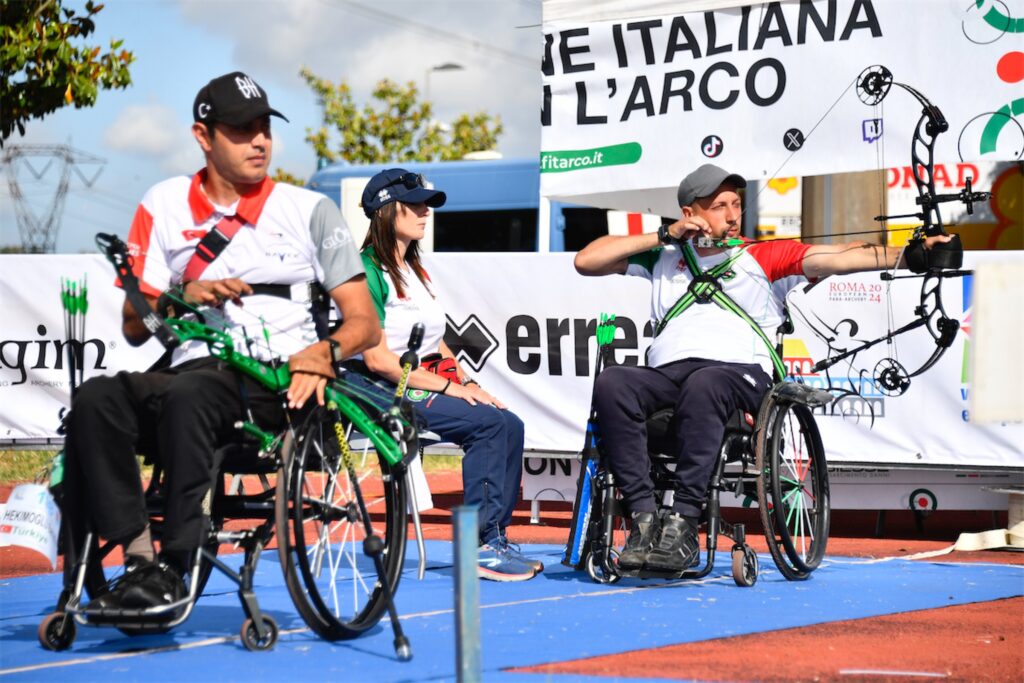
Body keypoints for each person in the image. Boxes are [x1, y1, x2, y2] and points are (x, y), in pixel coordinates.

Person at [63, 71, 380, 613]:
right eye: (240, 130)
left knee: (193, 398)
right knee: (96, 398)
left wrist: (323, 353)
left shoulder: (308, 210)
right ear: (203, 136)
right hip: (189, 370)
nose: (259, 141)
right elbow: (134, 326)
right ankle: (138, 560)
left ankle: (177, 563)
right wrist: (183, 294)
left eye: (264, 128)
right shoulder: (161, 203)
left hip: (272, 383)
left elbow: (364, 324)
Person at [574, 163, 952, 573]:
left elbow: (841, 256)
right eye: (720, 206)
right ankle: (645, 522)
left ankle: (683, 524)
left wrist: (911, 254)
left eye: (736, 204)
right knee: (614, 383)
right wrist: (664, 235)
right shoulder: (664, 256)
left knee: (707, 383)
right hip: (669, 375)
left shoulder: (764, 254)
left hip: (738, 374)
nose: (733, 215)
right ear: (689, 214)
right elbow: (586, 260)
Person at [343, 168, 538, 582]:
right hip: (377, 388)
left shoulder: (415, 269)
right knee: (487, 425)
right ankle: (478, 547)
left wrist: (466, 383)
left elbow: (439, 342)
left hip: (414, 380)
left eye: (426, 204)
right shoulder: (366, 271)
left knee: (510, 422)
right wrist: (451, 387)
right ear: (385, 210)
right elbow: (378, 361)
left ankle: (494, 539)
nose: (424, 212)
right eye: (414, 204)